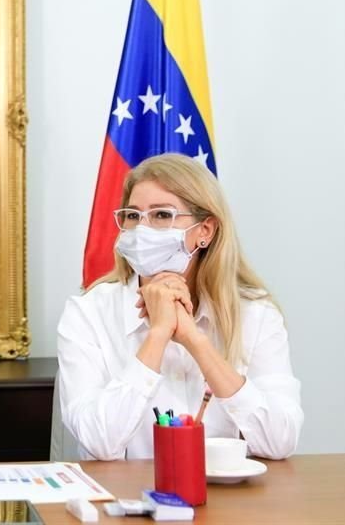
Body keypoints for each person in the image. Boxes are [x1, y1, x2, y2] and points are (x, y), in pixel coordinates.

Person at [58, 153, 303, 460]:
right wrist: (158, 335)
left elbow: (279, 441)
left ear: (205, 230)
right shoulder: (88, 312)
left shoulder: (257, 314)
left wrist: (196, 341)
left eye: (161, 215)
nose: (142, 229)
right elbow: (98, 441)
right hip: (124, 500)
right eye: (133, 216)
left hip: (227, 502)